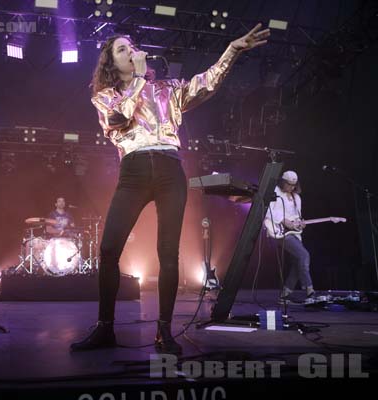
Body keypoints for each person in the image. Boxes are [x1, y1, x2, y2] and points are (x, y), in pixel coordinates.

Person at [70, 24, 270, 353]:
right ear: (110, 63)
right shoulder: (106, 96)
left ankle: (164, 331)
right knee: (108, 250)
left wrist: (232, 49)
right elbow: (119, 118)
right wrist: (137, 80)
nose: (131, 51)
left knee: (168, 254)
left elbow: (207, 83)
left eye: (132, 46)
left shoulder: (167, 90)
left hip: (168, 169)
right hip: (133, 171)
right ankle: (105, 328)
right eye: (122, 49)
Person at [264, 170, 316, 303]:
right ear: (283, 182)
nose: (291, 187)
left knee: (297, 262)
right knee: (304, 255)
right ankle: (309, 290)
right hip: (280, 231)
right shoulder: (275, 191)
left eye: (294, 185)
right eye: (289, 184)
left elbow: (297, 217)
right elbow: (267, 211)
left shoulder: (297, 198)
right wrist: (283, 220)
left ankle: (285, 294)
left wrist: (300, 224)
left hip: (293, 232)